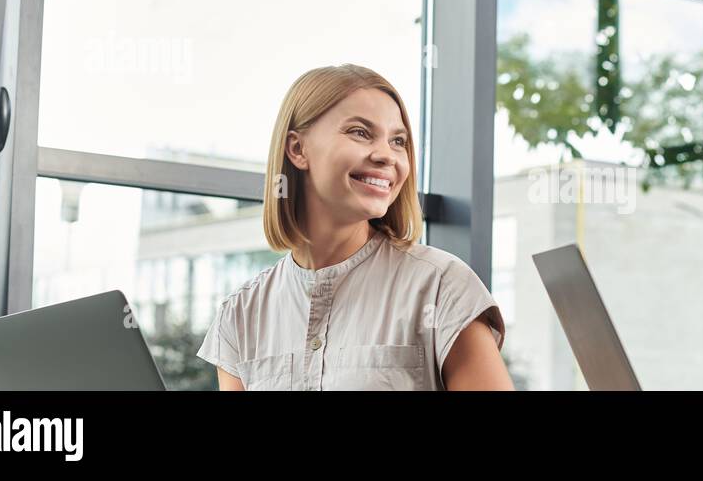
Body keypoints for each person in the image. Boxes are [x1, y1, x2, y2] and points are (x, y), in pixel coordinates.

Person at [197, 64, 513, 391]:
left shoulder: (443, 286)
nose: (386, 156)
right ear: (297, 149)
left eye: (398, 141)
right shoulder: (241, 314)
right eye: (360, 132)